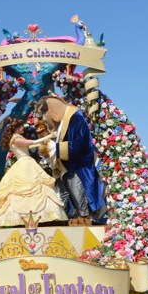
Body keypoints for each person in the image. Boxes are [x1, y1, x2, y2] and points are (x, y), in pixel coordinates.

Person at [34, 95, 105, 226]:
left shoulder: (76, 119)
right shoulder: (63, 122)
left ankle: (85, 217)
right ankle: (65, 218)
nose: (43, 119)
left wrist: (52, 148)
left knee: (77, 191)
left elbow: (80, 145)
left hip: (79, 166)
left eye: (44, 115)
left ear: (52, 113)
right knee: (63, 194)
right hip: (66, 167)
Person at [0, 117, 67, 227]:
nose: (23, 128)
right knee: (28, 190)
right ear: (16, 128)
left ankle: (39, 218)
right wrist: (50, 136)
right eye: (20, 127)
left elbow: (30, 145)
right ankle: (26, 218)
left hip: (26, 162)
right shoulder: (15, 138)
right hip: (25, 164)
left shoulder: (17, 138)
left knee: (33, 190)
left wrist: (43, 142)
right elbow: (31, 142)